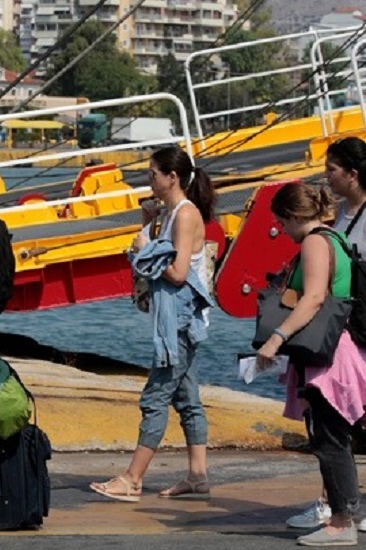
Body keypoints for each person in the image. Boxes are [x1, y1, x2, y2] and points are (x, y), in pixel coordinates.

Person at [89, 146, 217, 503]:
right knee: (187, 396)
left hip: (178, 319)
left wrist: (144, 246)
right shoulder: (172, 213)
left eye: (153, 174)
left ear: (172, 177)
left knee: (156, 396)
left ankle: (133, 478)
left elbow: (176, 273)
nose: (149, 180)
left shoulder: (187, 215)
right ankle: (196, 475)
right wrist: (147, 224)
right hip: (177, 317)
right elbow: (161, 253)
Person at [257, 182, 366, 546]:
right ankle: (346, 514)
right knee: (335, 436)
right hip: (339, 348)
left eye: (281, 223)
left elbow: (316, 296)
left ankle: (341, 522)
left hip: (328, 355)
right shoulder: (335, 236)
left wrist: (277, 337)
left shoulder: (315, 242)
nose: (282, 231)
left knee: (329, 438)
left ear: (292, 216)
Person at [284, 137, 366, 532]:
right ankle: (332, 503)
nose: (326, 176)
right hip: (345, 329)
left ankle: (341, 511)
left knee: (342, 421)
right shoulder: (343, 217)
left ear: (353, 174)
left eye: (333, 169)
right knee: (335, 419)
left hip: (359, 326)